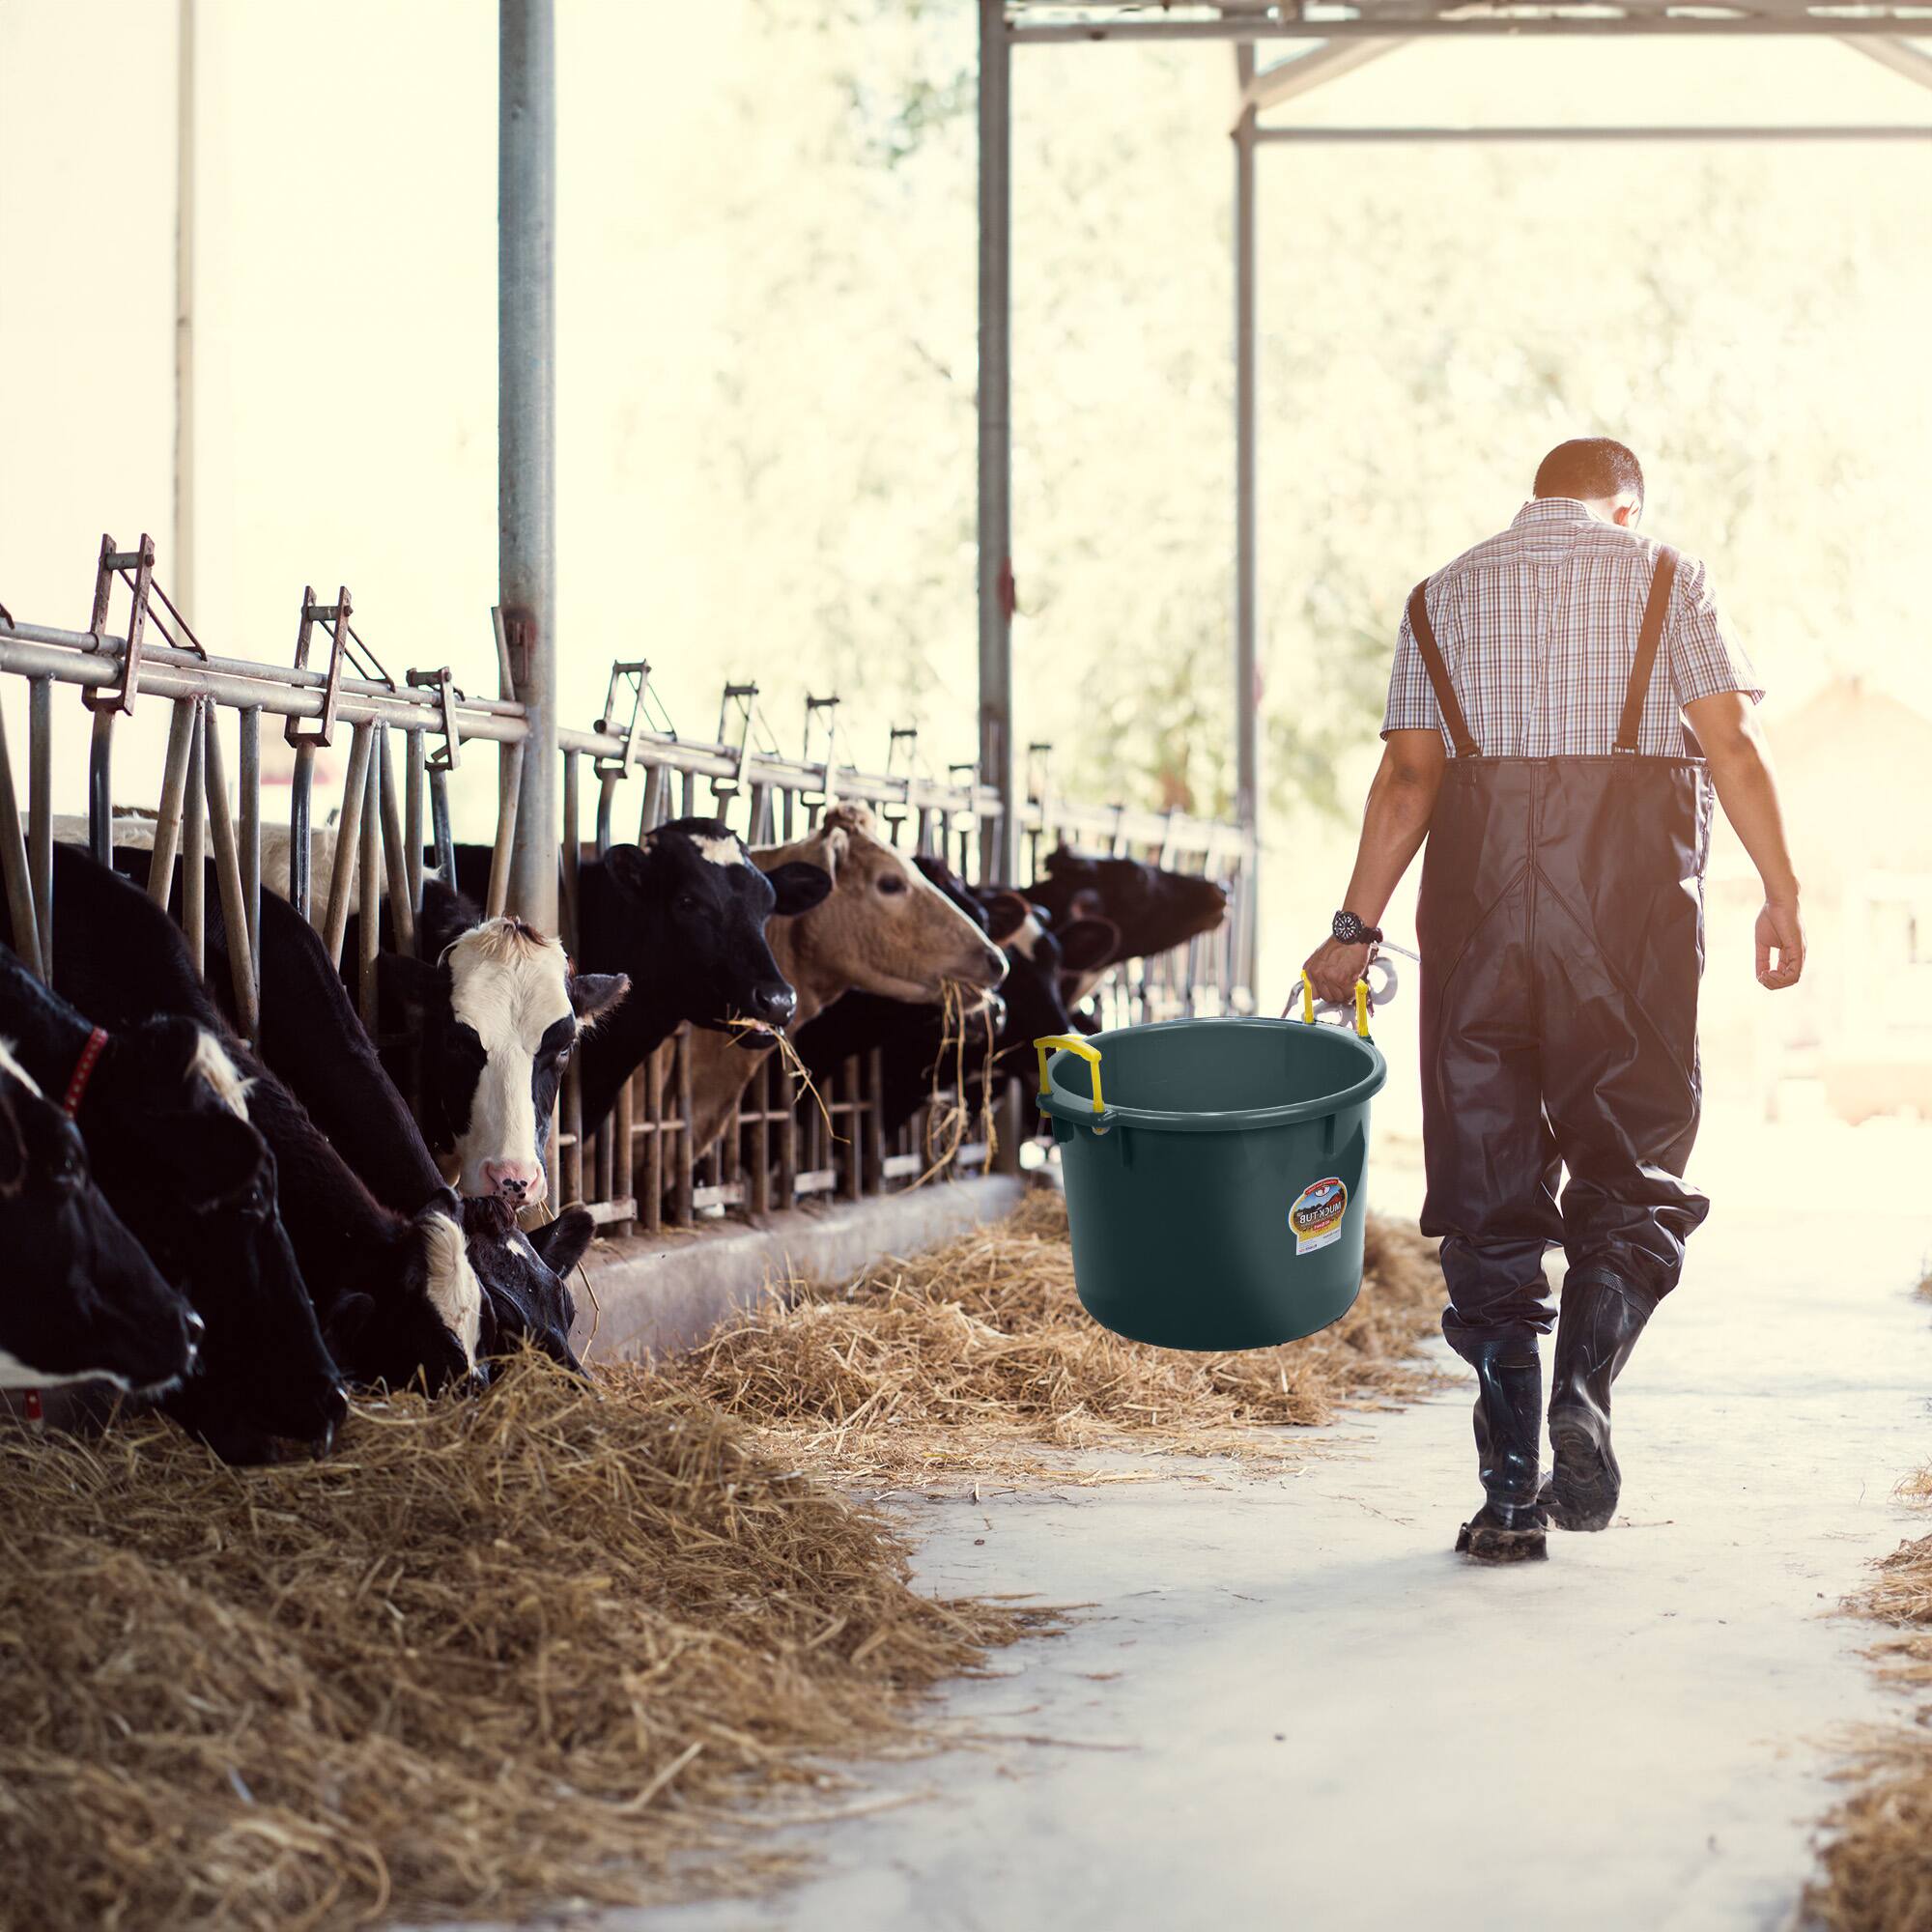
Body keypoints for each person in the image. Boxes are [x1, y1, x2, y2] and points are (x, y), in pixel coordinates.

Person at [1297, 439, 1804, 1564]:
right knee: (1629, 1170)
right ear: (1624, 508)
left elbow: (1409, 778)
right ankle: (1583, 1386)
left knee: (1485, 1198)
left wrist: (1350, 930)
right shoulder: (1666, 576)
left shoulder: (1442, 594)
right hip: (1623, 928)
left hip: (1475, 926)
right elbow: (1727, 739)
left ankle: (1508, 1496)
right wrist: (1780, 889)